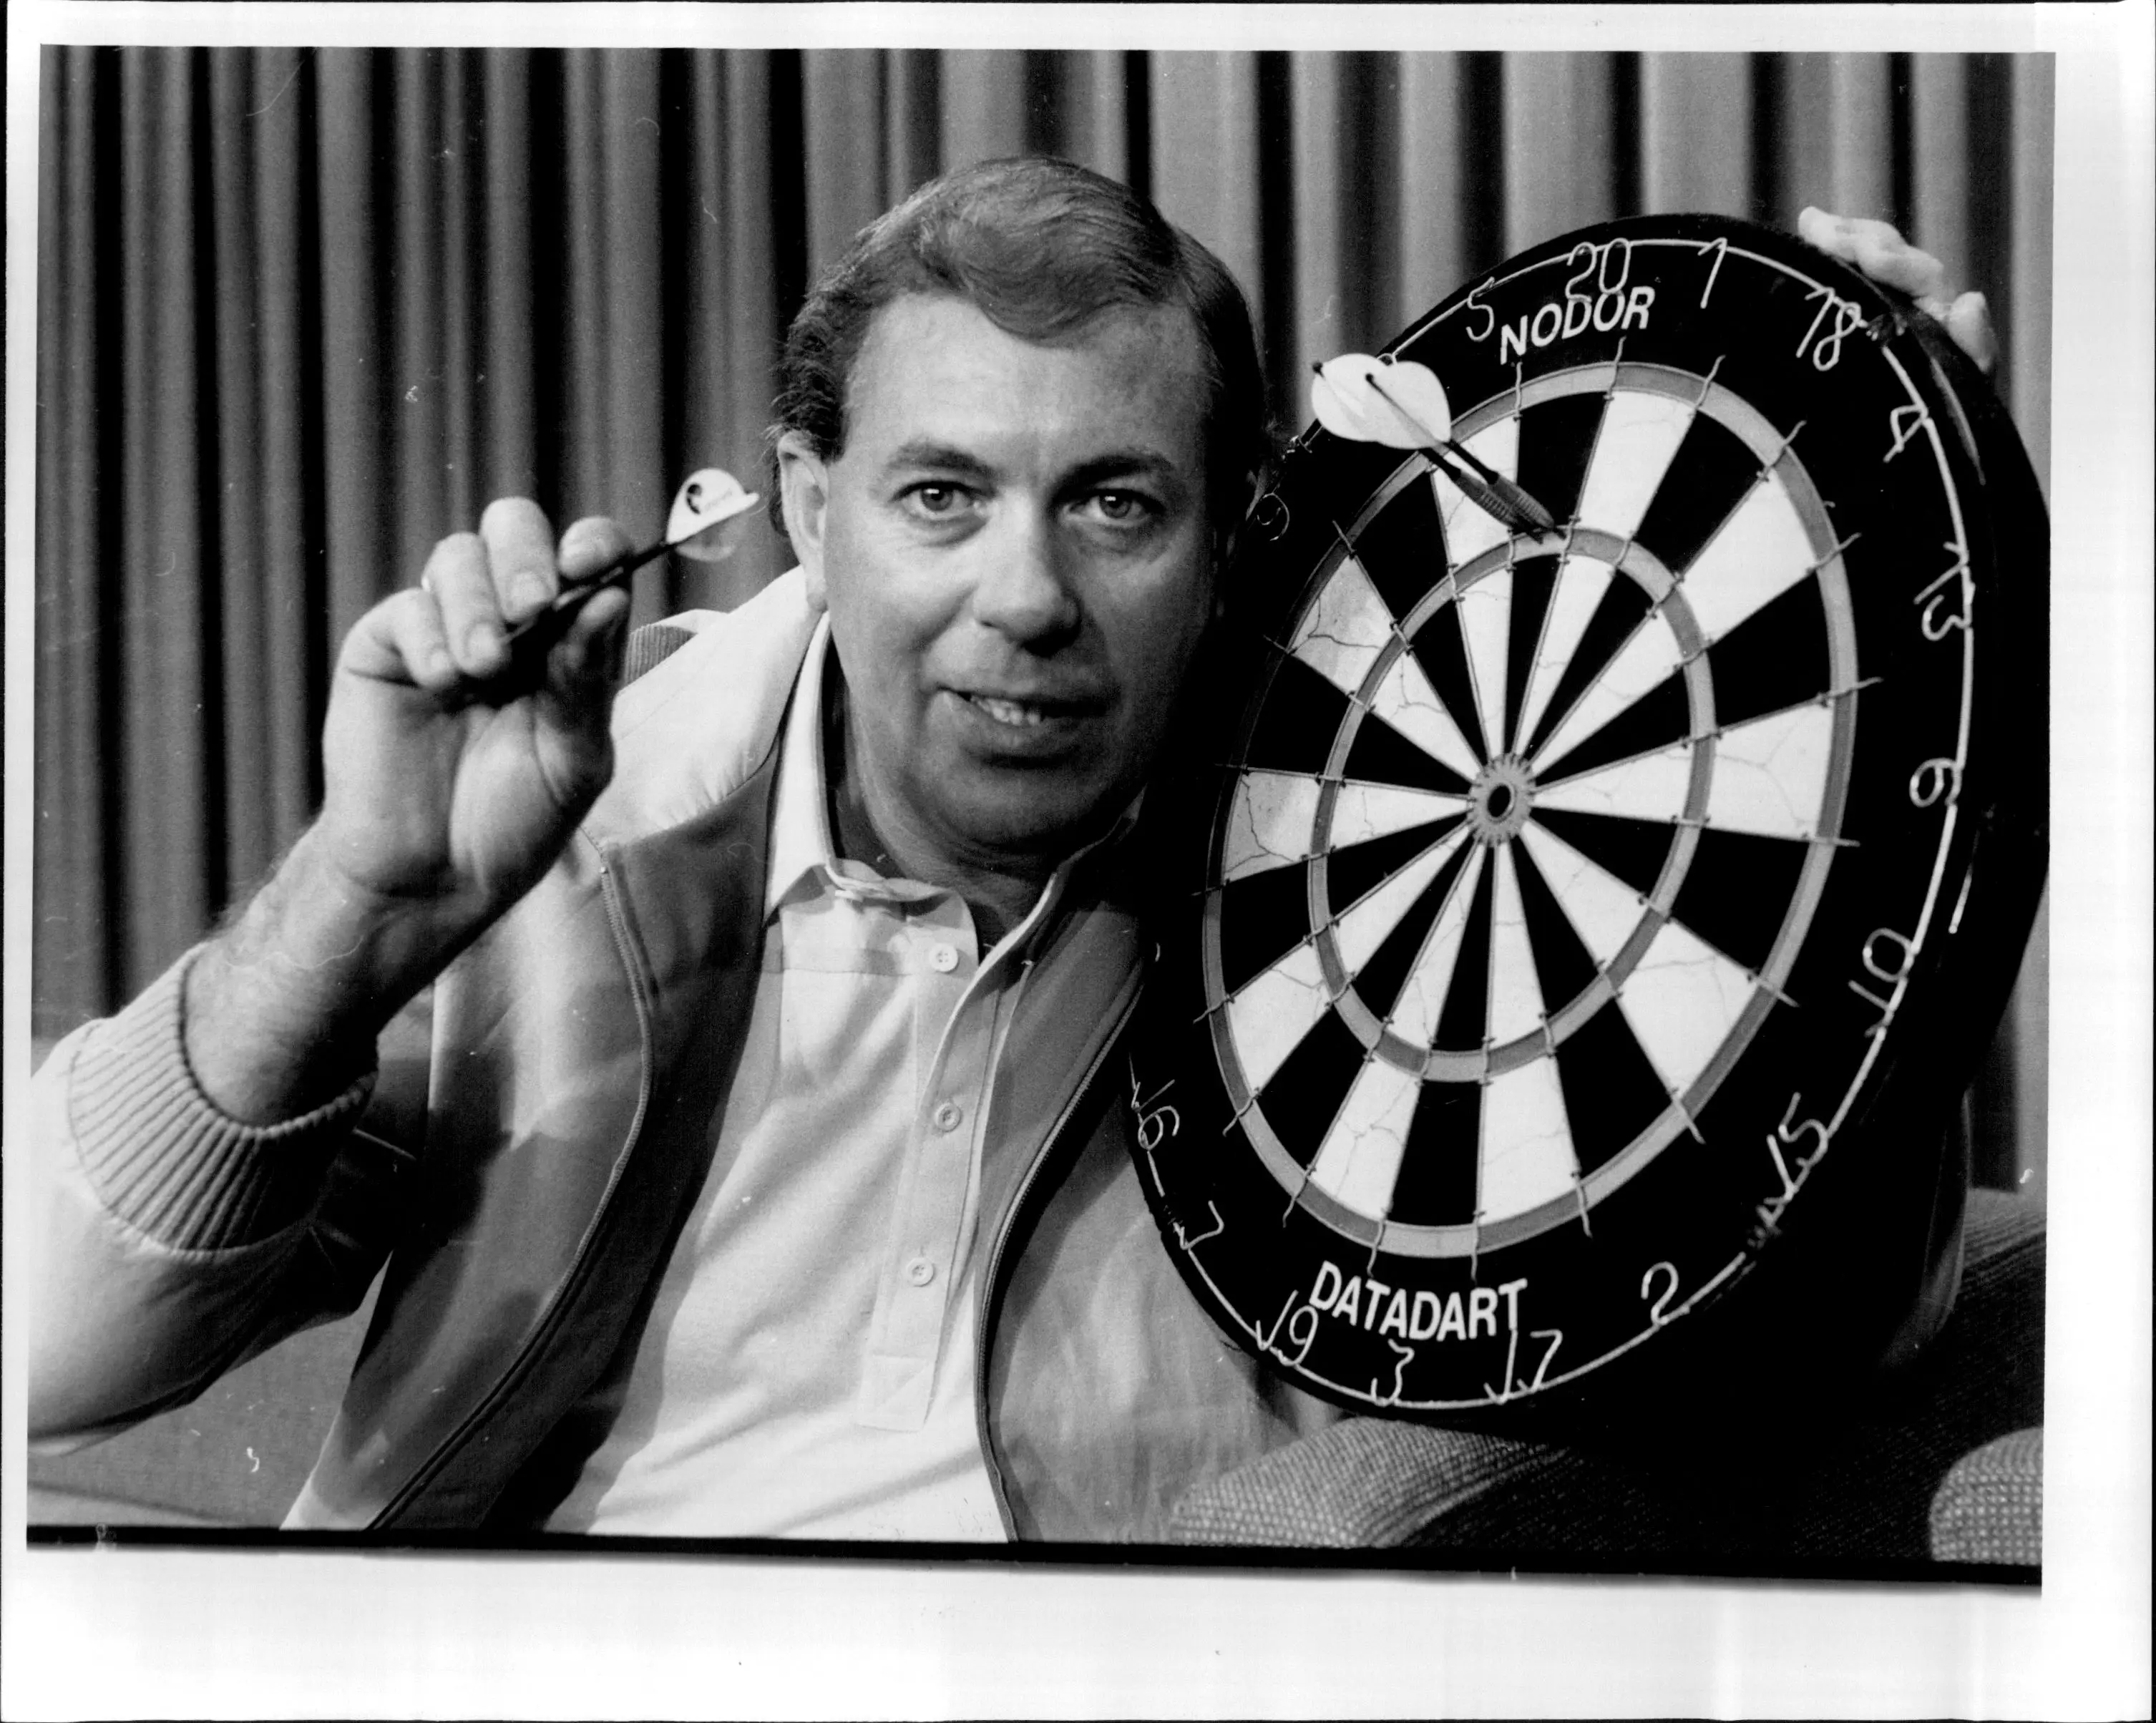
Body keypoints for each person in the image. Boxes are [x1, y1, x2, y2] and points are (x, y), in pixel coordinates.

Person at [26, 159, 1995, 1540]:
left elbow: (1771, 1341)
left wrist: (1899, 634)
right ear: (809, 506)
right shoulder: (575, 833)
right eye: (940, 496)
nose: (1023, 600)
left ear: (1233, 539)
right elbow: (46, 1358)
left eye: (1115, 505)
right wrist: (363, 910)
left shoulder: (1368, 889)